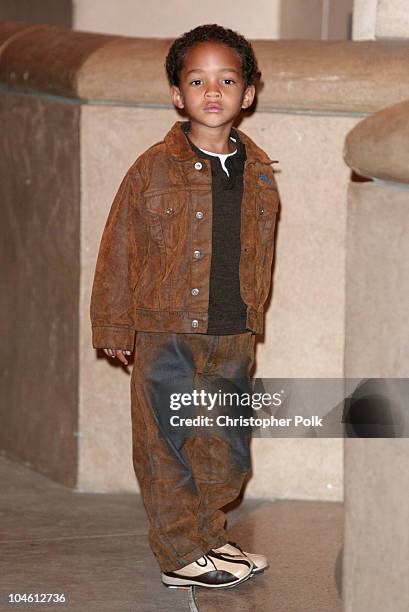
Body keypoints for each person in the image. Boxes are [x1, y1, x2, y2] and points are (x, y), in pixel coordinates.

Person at [90, 23, 280, 589]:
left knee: (225, 445)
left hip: (232, 332)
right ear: (178, 94)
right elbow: (119, 247)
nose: (213, 91)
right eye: (198, 80)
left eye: (227, 79)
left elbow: (260, 255)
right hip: (164, 329)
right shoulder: (151, 170)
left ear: (248, 94)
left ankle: (208, 538)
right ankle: (179, 554)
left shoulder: (261, 173)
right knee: (165, 442)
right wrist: (115, 322)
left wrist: (252, 317)